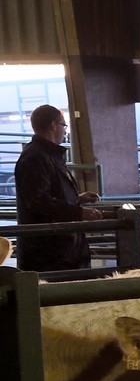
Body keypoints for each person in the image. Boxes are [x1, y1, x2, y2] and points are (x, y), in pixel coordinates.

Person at [14, 104, 102, 271]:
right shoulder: (36, 157)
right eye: (63, 125)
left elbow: (45, 193)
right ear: (53, 126)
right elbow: (37, 201)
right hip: (50, 252)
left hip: (58, 247)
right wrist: (79, 212)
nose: (65, 130)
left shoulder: (44, 155)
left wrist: (77, 198)